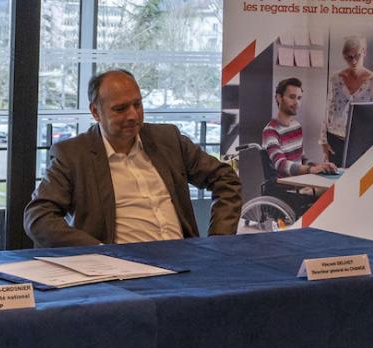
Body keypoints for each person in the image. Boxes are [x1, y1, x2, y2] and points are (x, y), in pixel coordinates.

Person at [24, 68, 241, 247]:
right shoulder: (74, 155)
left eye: (137, 104)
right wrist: (95, 251)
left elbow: (225, 179)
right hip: (122, 271)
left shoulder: (167, 140)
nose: (133, 115)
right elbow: (38, 216)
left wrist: (219, 239)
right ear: (95, 112)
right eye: (120, 109)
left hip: (185, 259)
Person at [320, 35, 373, 167]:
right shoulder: (335, 79)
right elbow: (328, 110)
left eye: (357, 56)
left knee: (356, 182)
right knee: (334, 181)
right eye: (349, 57)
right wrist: (323, 141)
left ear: (364, 52)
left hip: (361, 141)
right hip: (335, 138)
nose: (353, 61)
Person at [262, 78, 337, 178]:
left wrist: (320, 167)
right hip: (285, 186)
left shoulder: (296, 126)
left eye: (299, 98)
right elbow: (281, 164)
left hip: (300, 181)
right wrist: (311, 170)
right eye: (292, 97)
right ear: (279, 98)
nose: (296, 102)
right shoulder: (270, 131)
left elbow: (302, 159)